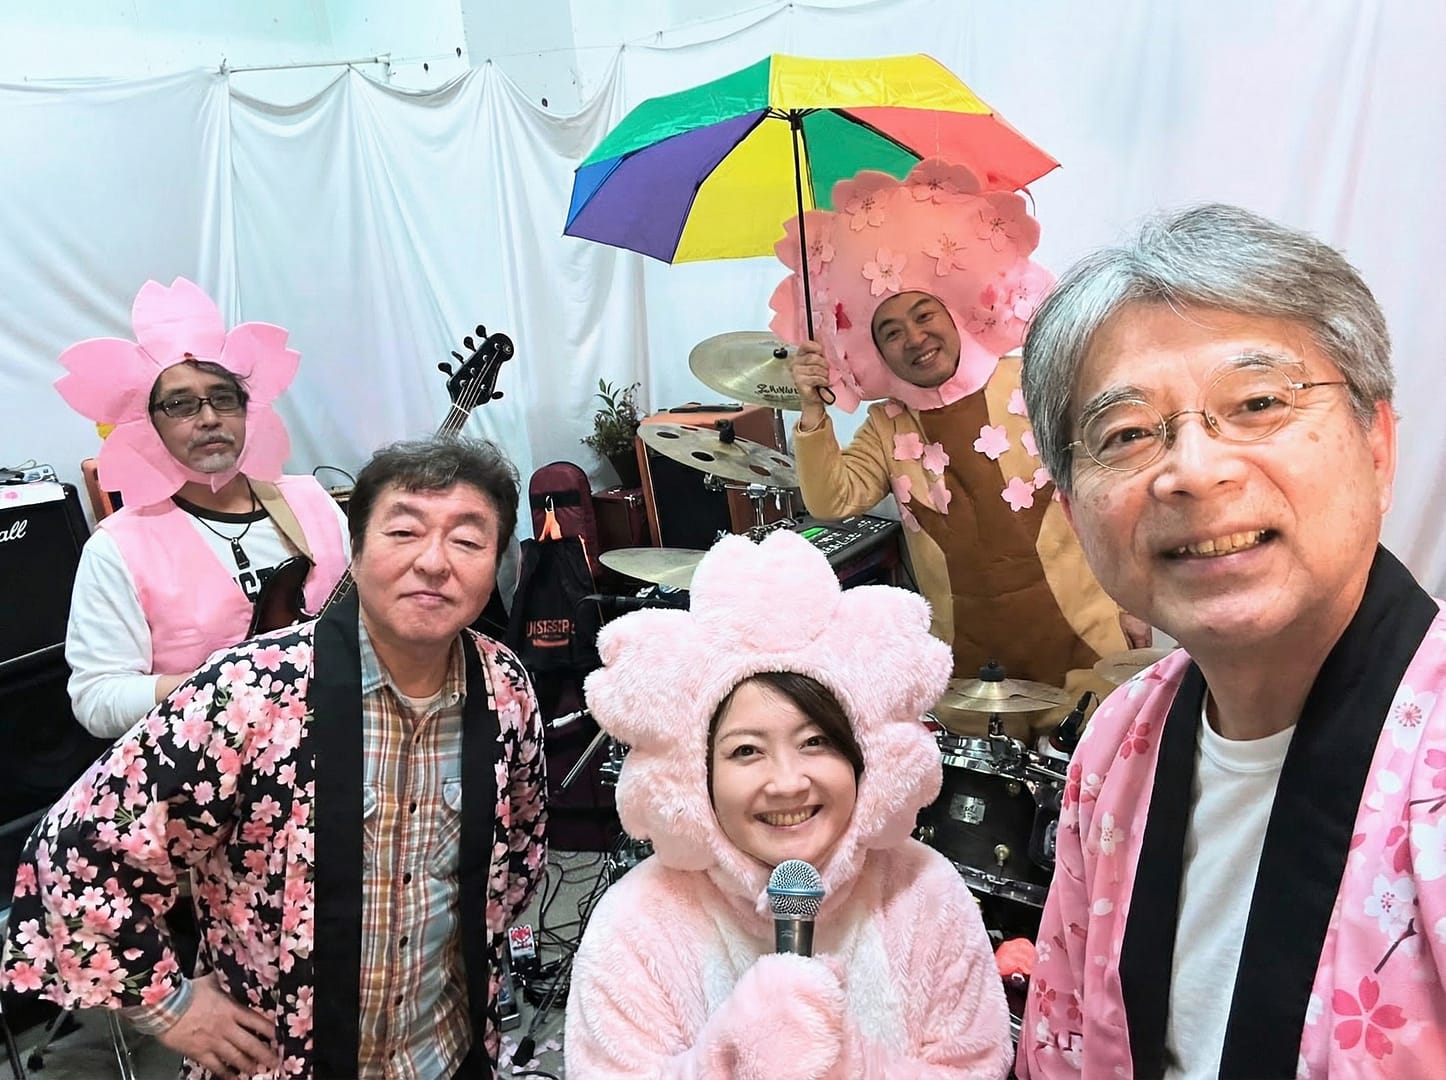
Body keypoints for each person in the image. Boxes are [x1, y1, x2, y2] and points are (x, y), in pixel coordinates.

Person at [1015, 204, 1446, 1078]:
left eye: (1257, 404)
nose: (1194, 470)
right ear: (1071, 508)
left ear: (1377, 443)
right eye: (1126, 435)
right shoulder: (1118, 741)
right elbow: (1064, 1049)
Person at [1, 435, 549, 1079]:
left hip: (444, 1052)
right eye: (404, 531)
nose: (433, 561)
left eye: (468, 540)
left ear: (498, 562)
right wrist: (169, 1007)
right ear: (355, 549)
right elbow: (75, 851)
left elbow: (520, 854)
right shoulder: (250, 692)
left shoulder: (505, 688)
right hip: (281, 1061)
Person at [565, 529, 1013, 1078]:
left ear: (862, 756)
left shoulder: (925, 892)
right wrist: (731, 1058)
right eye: (746, 751)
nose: (787, 782)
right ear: (697, 773)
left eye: (815, 741)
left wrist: (845, 1063)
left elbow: (976, 1066)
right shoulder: (635, 923)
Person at [771, 159, 1142, 736]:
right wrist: (813, 411)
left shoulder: (1034, 381)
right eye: (891, 331)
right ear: (875, 350)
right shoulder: (888, 425)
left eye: (924, 315)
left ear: (955, 312)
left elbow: (1116, 485)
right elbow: (831, 500)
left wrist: (1136, 602)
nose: (915, 338)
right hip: (974, 675)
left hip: (1087, 647)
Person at [55, 277, 351, 738]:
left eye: (224, 399)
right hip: (215, 762)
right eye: (181, 405)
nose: (209, 418)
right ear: (149, 422)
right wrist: (221, 687)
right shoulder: (118, 548)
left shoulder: (313, 501)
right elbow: (96, 698)